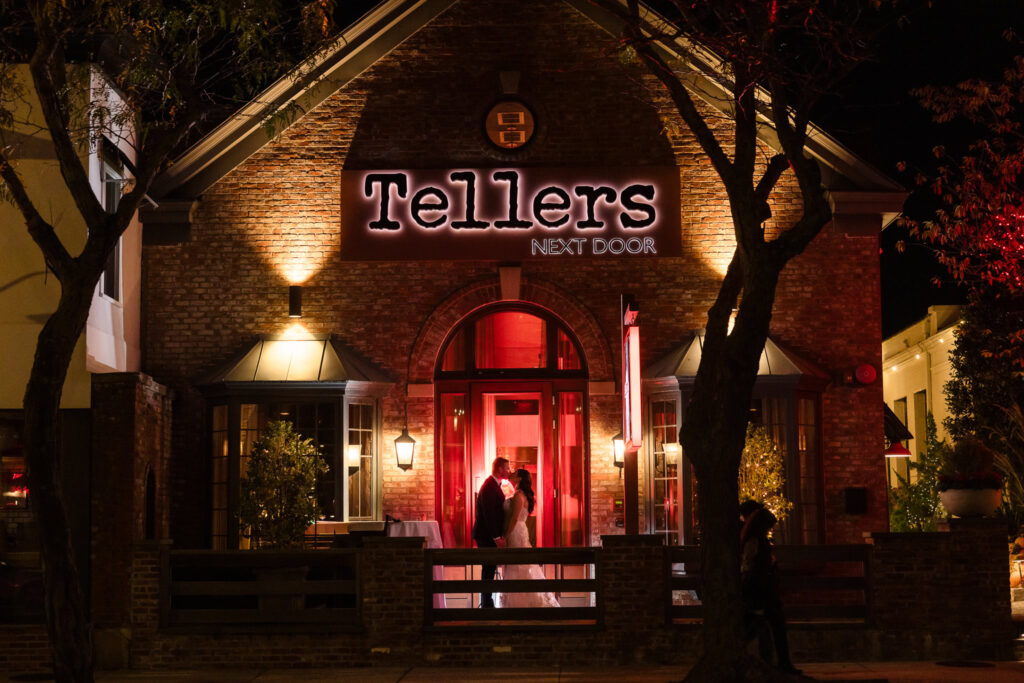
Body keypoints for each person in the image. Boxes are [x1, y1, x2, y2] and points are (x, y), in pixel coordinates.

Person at [740, 503, 801, 675]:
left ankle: (777, 662)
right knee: (771, 624)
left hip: (761, 588)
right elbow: (749, 566)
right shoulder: (756, 541)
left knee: (763, 625)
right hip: (761, 589)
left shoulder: (754, 539)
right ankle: (781, 663)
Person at [496, 469, 560, 608]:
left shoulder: (519, 495)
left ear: (519, 478)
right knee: (518, 564)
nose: (511, 472)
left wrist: (504, 537)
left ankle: (520, 602)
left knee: (518, 565)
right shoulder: (519, 494)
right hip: (519, 530)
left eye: (515, 472)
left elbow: (513, 519)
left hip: (515, 531)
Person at [472, 457, 510, 608]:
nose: (509, 471)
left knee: (489, 568)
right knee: (488, 568)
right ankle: (486, 603)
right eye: (507, 468)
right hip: (486, 536)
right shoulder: (489, 487)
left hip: (488, 536)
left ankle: (487, 601)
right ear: (500, 469)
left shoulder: (494, 485)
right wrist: (496, 538)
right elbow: (489, 515)